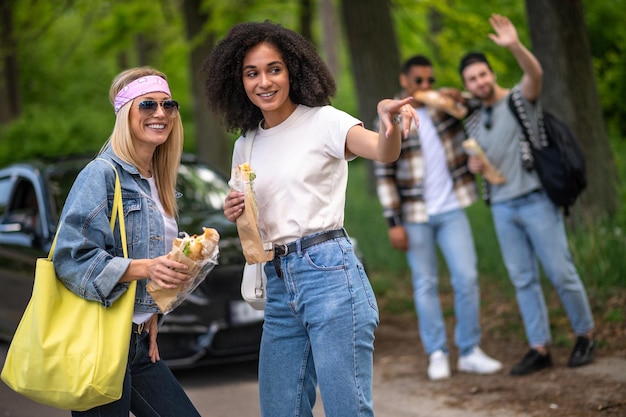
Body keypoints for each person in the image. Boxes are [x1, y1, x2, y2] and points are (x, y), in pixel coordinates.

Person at [203, 21, 418, 417]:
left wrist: (391, 124)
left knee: (346, 411)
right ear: (239, 82)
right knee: (280, 409)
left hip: (329, 275)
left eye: (274, 69)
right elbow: (252, 215)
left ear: (293, 71)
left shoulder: (324, 121)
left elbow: (383, 152)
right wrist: (235, 212)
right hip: (279, 282)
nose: (263, 82)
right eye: (252, 73)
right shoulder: (245, 144)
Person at [53, 67, 201, 416]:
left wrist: (150, 310)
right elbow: (71, 257)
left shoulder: (157, 181)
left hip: (137, 343)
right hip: (102, 341)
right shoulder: (101, 174)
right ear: (125, 113)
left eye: (169, 105)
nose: (161, 113)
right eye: (148, 104)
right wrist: (146, 268)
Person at [460, 14, 595, 376]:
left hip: (536, 200)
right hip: (502, 209)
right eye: (472, 79)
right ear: (467, 85)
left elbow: (535, 75)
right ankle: (540, 347)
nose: (479, 82)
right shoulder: (473, 120)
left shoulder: (520, 101)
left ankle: (585, 334)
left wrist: (515, 46)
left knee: (560, 271)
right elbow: (483, 157)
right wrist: (477, 167)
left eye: (483, 74)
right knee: (523, 279)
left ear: (491, 74)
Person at [373, 55, 502, 381]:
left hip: (451, 209)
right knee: (425, 284)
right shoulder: (394, 118)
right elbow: (384, 173)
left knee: (467, 278)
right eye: (419, 81)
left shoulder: (445, 109)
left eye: (430, 81)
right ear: (405, 81)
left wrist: (458, 95)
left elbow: (478, 105)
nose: (425, 87)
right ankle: (437, 353)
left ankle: (470, 350)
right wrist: (393, 222)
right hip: (415, 216)